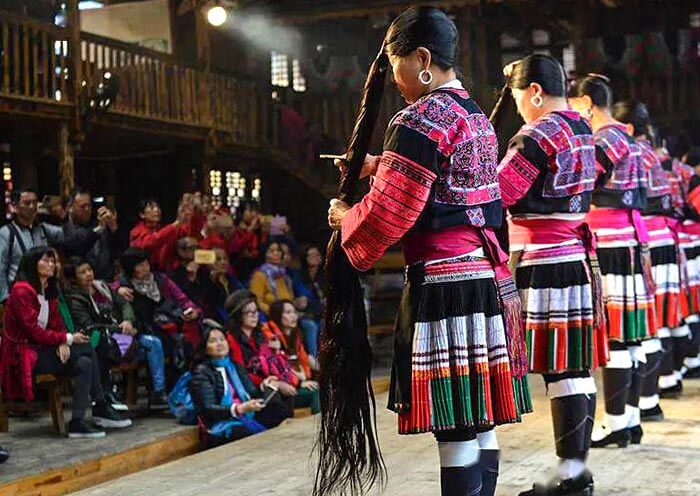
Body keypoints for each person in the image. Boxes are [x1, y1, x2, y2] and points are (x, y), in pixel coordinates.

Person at [326, 8, 530, 495]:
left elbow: (388, 214)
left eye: (396, 63)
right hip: (484, 279)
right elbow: (452, 190)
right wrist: (382, 165)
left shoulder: (419, 118)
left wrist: (342, 218)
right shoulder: (475, 115)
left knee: (455, 423)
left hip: (445, 288)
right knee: (478, 417)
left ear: (421, 58)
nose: (393, 78)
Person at [495, 58, 605, 496]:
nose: (520, 108)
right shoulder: (581, 127)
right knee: (574, 369)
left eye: (522, 99)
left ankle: (570, 480)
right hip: (574, 256)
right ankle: (575, 473)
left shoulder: (538, 134)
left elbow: (499, 192)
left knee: (560, 371)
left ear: (536, 92)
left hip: (544, 258)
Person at [569, 81, 654, 449]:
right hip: (630, 241)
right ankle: (630, 421)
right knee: (630, 338)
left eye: (576, 106)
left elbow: (582, 185)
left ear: (588, 103)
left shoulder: (606, 139)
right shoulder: (630, 141)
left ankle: (617, 423)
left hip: (610, 241)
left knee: (617, 337)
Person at [0, 246, 131, 437]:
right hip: (23, 354)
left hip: (46, 349)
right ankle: (101, 405)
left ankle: (77, 421)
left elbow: (57, 323)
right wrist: (66, 338)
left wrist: (62, 341)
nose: (51, 264)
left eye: (53, 261)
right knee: (85, 347)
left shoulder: (48, 290)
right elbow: (33, 331)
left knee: (84, 363)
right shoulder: (21, 291)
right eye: (45, 260)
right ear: (31, 263)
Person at [118, 248, 200, 406]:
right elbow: (105, 288)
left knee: (183, 343)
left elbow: (182, 299)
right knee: (155, 343)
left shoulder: (161, 280)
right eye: (139, 266)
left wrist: (192, 310)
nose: (145, 268)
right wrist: (117, 290)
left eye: (146, 264)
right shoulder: (123, 285)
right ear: (131, 270)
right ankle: (159, 392)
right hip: (138, 331)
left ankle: (183, 390)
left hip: (164, 326)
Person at [189, 325, 290, 449]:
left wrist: (265, 387)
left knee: (281, 408)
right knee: (242, 432)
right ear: (205, 348)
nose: (219, 344)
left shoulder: (236, 366)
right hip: (222, 422)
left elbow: (252, 394)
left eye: (222, 339)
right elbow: (208, 409)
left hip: (246, 413)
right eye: (213, 341)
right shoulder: (201, 372)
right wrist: (239, 409)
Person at [0, 188, 103, 303]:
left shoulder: (43, 229)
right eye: (27, 203)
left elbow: (72, 241)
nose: (32, 207)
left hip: (43, 292)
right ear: (14, 207)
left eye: (34, 202)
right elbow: (1, 268)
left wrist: (63, 217)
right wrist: (5, 299)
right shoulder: (7, 233)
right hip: (18, 294)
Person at [66, 257, 137, 411]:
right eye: (82, 272)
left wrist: (127, 321)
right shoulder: (75, 298)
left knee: (137, 343)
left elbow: (124, 304)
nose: (88, 274)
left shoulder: (102, 286)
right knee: (102, 346)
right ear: (74, 277)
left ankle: (110, 389)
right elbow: (88, 325)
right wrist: (117, 329)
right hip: (92, 336)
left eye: (89, 270)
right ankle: (104, 393)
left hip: (111, 333)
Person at [262, 300, 320, 414]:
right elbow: (275, 367)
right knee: (318, 392)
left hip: (296, 383)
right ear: (277, 315)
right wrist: (300, 383)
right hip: (281, 390)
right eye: (288, 312)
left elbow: (304, 358)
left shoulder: (295, 334)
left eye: (294, 312)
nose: (294, 316)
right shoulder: (269, 336)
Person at [63, 187, 119, 280]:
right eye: (82, 206)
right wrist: (100, 228)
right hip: (80, 284)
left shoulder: (95, 224)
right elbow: (79, 248)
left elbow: (117, 251)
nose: (87, 209)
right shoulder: (64, 229)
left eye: (89, 205)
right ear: (70, 208)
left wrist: (113, 227)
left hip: (107, 282)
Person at [129, 197, 194, 273]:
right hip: (148, 273)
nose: (157, 210)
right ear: (142, 215)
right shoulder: (136, 231)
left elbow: (182, 237)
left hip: (168, 272)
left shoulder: (161, 228)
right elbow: (150, 243)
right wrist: (176, 223)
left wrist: (185, 219)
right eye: (152, 208)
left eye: (157, 207)